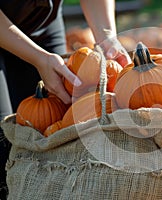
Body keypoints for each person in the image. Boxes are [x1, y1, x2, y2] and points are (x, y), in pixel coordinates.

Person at [0, 0, 131, 199]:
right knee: (2, 146)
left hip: (42, 20)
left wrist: (106, 37)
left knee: (55, 138)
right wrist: (37, 58)